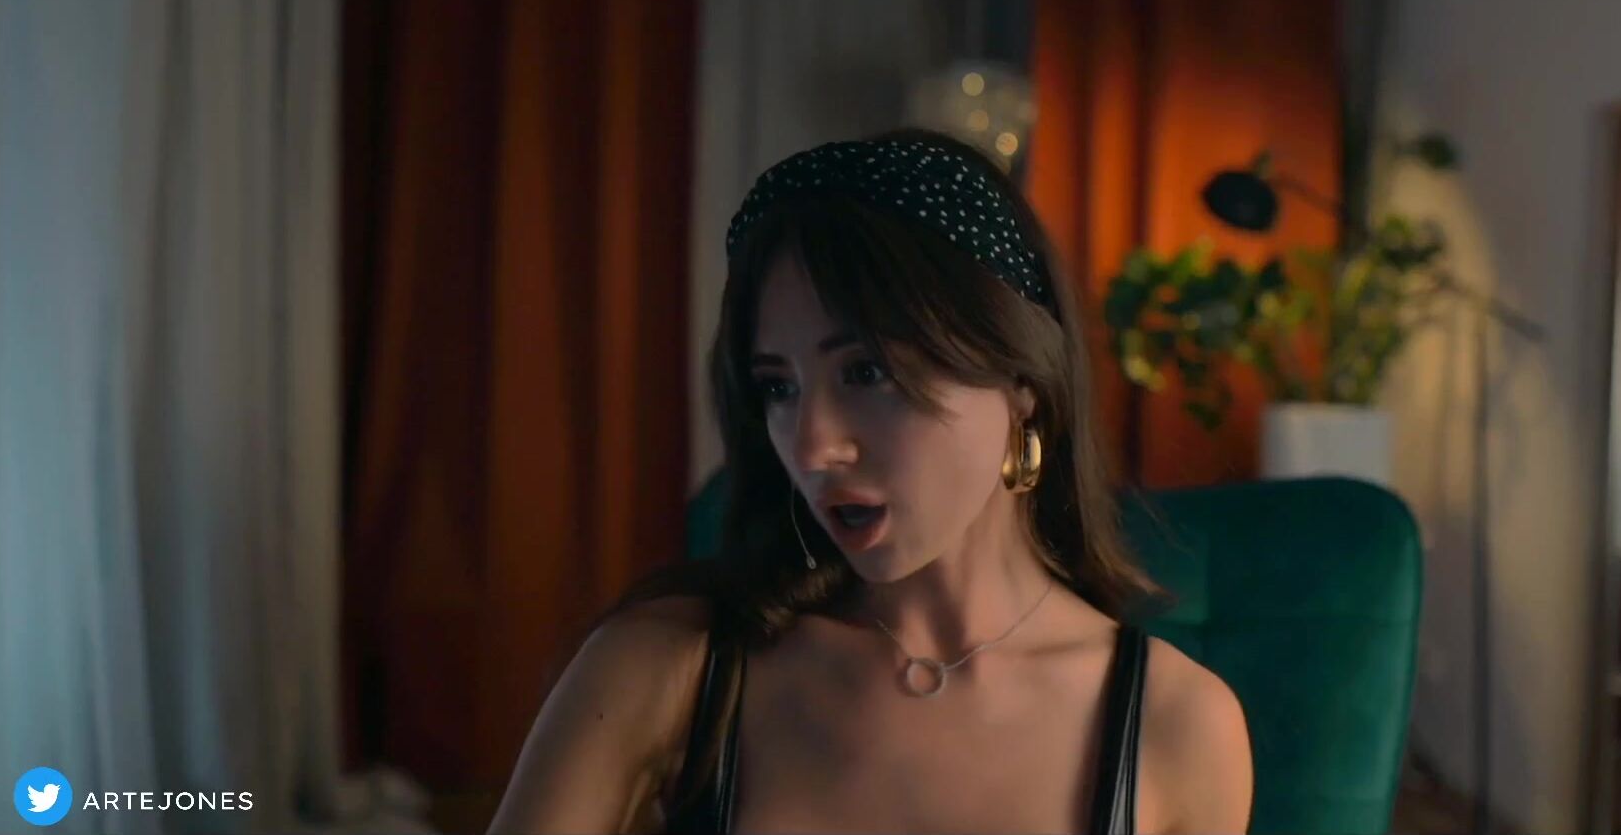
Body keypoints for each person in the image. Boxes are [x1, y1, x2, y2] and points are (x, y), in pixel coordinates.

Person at [486, 130, 1253, 834]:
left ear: (1020, 382)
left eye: (866, 372)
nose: (812, 447)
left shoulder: (1176, 725)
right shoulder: (669, 668)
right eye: (778, 386)